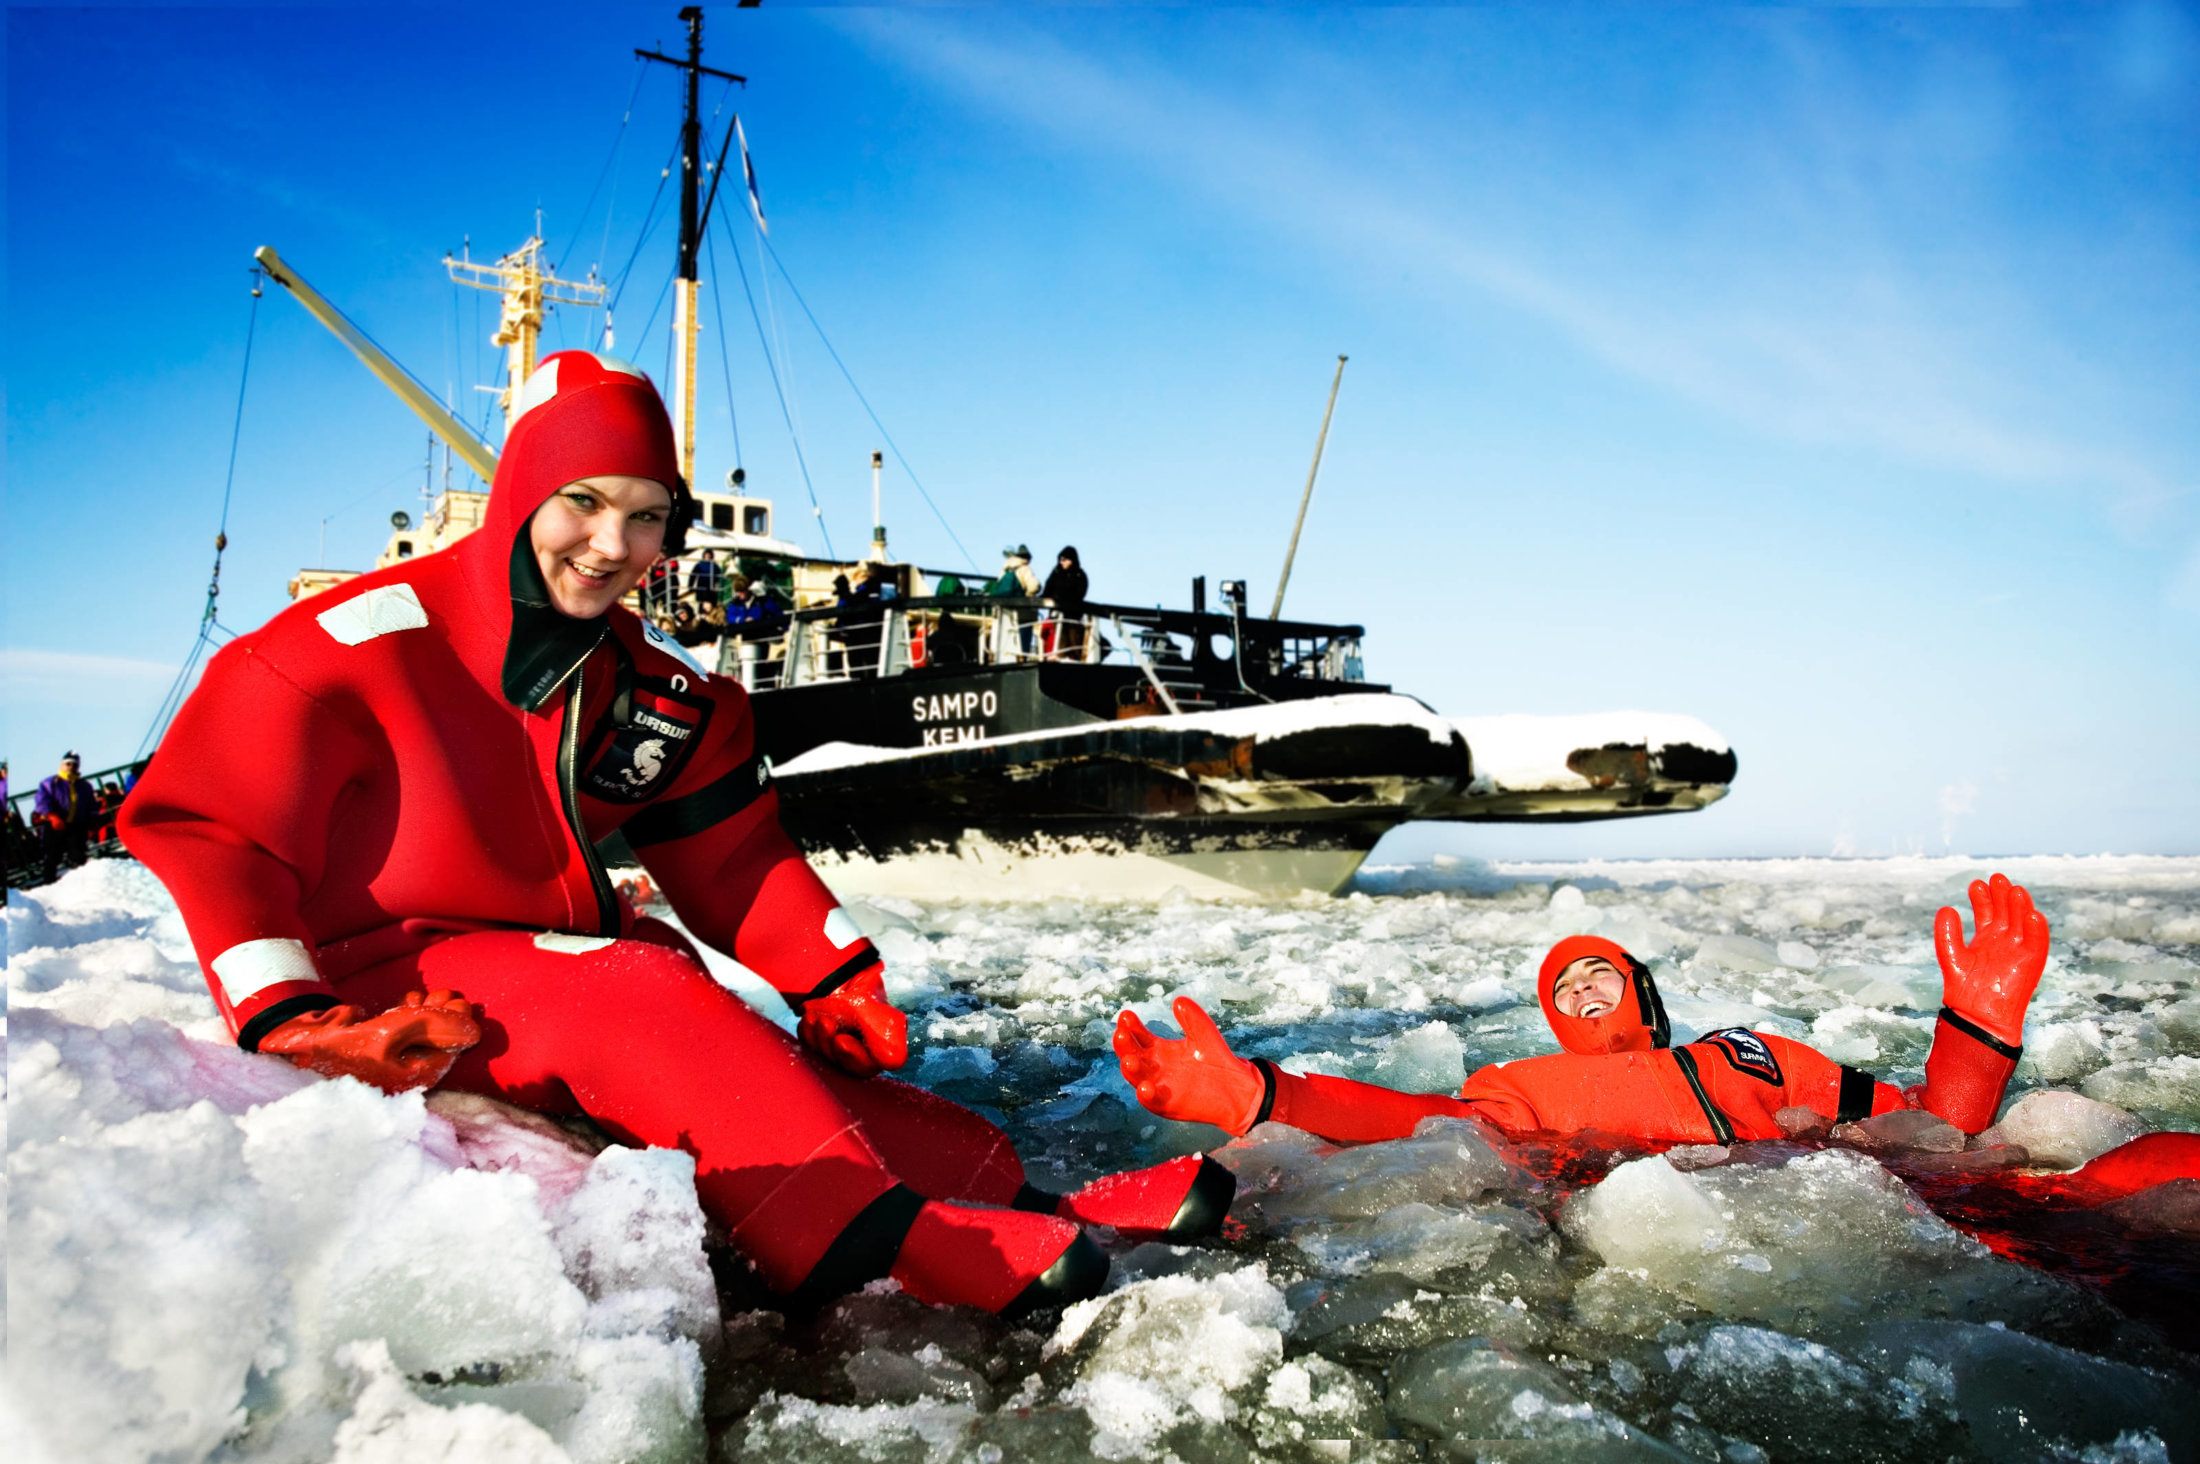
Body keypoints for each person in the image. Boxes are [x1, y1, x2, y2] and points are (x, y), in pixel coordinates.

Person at [121, 351, 1229, 1317]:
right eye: (583, 503)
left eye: (648, 513)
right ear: (517, 498)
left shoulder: (660, 685)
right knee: (642, 992)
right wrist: (296, 1018)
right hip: (387, 974)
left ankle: (1026, 1199)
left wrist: (832, 976)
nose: (615, 544)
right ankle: (873, 1246)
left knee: (766, 1058)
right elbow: (214, 829)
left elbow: (733, 850)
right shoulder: (351, 647)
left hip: (552, 961)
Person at [1118, 874, 2075, 1147]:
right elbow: (1424, 1125)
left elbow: (1945, 1125)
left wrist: (1978, 1029)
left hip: (1894, 1202)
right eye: (1561, 990)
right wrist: (1270, 1094)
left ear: (1644, 994)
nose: (1578, 992)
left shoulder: (1759, 1052)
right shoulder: (1524, 1084)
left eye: (1597, 975)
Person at [32, 751, 95, 885]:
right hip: (55, 824)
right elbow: (42, 801)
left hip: (77, 825)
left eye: (74, 765)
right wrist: (51, 815)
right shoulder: (49, 783)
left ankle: (84, 883)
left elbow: (91, 805)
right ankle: (49, 883)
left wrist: (92, 820)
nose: (71, 767)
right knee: (52, 856)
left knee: (78, 853)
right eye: (68, 764)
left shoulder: (84, 786)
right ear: (62, 765)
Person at [1041, 546, 1089, 661]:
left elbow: (1080, 592)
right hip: (1058, 614)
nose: (1061, 562)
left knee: (1075, 640)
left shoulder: (1079, 575)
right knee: (1061, 640)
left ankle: (1078, 661)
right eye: (1060, 559)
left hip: (1073, 615)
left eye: (1064, 559)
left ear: (1071, 560)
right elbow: (1048, 588)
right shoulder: (1056, 573)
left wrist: (1069, 600)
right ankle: (1061, 660)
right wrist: (1045, 598)